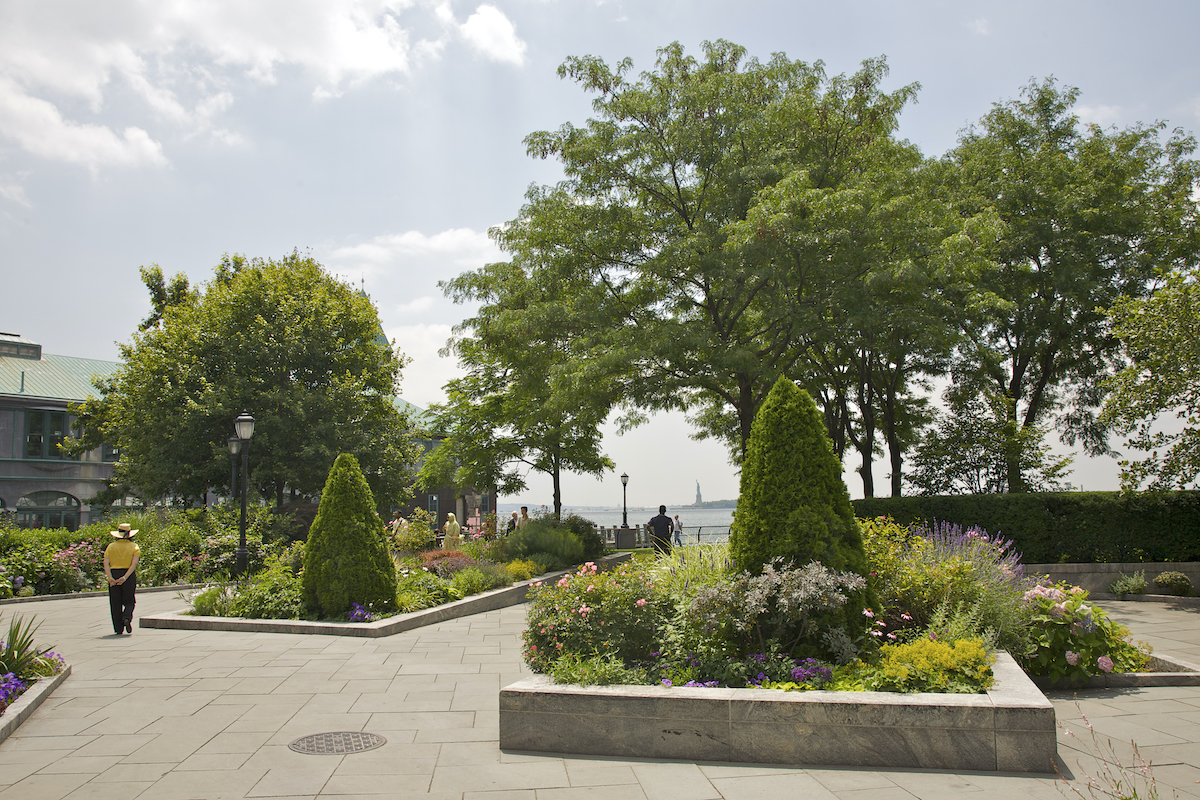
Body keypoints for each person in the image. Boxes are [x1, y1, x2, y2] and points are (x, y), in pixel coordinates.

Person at [103, 522, 140, 635]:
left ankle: (118, 628)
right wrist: (124, 577)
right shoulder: (134, 546)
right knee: (130, 601)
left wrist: (110, 578)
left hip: (114, 574)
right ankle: (127, 617)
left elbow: (106, 563)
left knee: (115, 603)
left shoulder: (111, 546)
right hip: (128, 575)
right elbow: (133, 564)